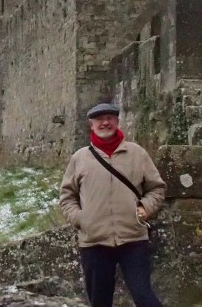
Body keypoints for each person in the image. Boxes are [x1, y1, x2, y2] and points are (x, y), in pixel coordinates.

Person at [59, 102, 166, 307]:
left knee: (145, 297)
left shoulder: (137, 154)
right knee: (100, 302)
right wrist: (81, 219)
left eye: (109, 118)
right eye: (100, 119)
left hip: (133, 239)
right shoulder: (80, 158)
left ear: (117, 122)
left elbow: (157, 188)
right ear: (91, 124)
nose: (105, 122)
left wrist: (145, 207)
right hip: (94, 242)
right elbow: (67, 196)